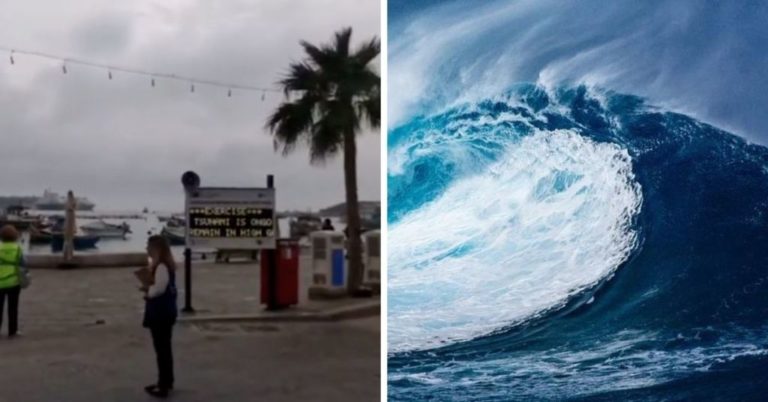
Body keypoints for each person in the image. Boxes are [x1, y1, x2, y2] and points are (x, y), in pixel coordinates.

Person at [142, 235, 178, 398]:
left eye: (149, 247)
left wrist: (147, 291)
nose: (147, 249)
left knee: (162, 349)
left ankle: (163, 384)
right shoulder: (165, 265)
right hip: (166, 311)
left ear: (156, 249)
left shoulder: (161, 266)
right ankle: (166, 381)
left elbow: (159, 289)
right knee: (165, 349)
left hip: (160, 313)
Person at [0, 225, 26, 338]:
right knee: (13, 307)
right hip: (14, 282)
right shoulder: (18, 249)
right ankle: (13, 331)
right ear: (15, 236)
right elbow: (23, 264)